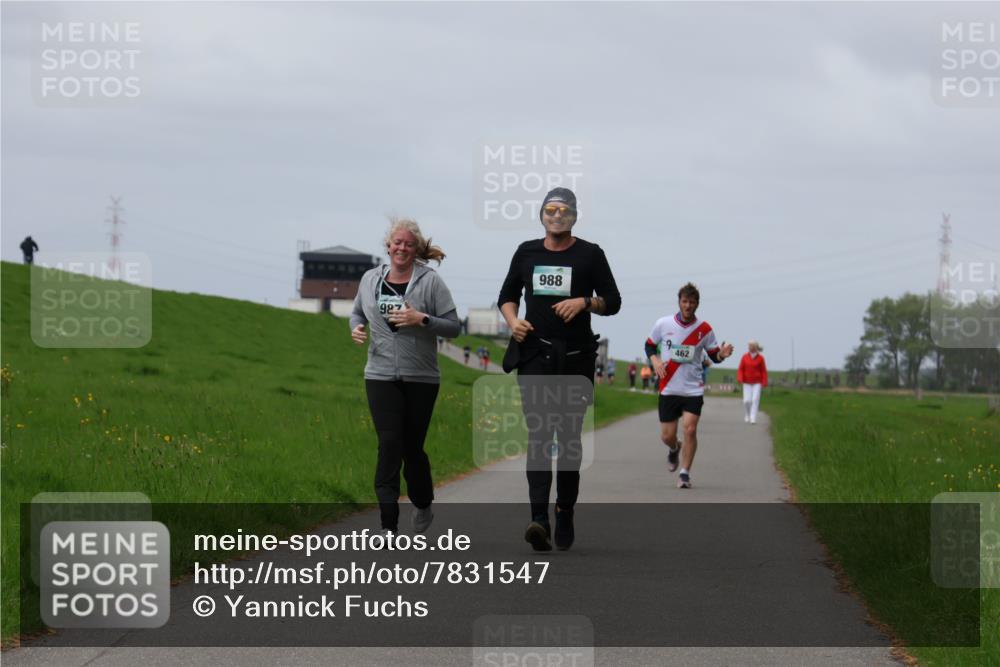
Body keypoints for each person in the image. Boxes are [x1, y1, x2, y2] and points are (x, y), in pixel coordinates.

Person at [498, 187, 621, 551]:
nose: (556, 216)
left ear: (574, 216)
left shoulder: (590, 254)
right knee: (539, 435)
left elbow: (613, 302)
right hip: (535, 355)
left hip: (576, 358)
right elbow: (507, 296)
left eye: (564, 210)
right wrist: (512, 321)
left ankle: (564, 509)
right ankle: (538, 520)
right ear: (541, 215)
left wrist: (585, 302)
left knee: (567, 441)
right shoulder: (526, 252)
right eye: (550, 210)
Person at [350, 218, 461, 541]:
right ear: (388, 245)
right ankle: (388, 523)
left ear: (416, 250)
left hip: (421, 377)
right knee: (388, 443)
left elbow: (454, 327)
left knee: (412, 449)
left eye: (408, 244)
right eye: (397, 242)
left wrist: (421, 318)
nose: (401, 248)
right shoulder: (370, 279)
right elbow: (357, 312)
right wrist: (355, 327)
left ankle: (423, 502)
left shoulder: (430, 282)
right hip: (379, 373)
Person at [645, 283, 733, 489]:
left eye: (692, 302)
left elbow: (714, 355)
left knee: (690, 429)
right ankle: (675, 448)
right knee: (667, 436)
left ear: (697, 304)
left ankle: (685, 473)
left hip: (693, 388)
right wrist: (656, 361)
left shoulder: (705, 329)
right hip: (669, 387)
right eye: (685, 301)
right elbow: (649, 345)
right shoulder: (663, 324)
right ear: (679, 302)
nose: (688, 305)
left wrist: (722, 354)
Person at [737, 340, 768, 424]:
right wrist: (740, 378)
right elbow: (740, 369)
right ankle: (747, 414)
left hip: (757, 383)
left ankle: (753, 417)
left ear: (755, 347)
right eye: (749, 346)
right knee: (747, 401)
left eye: (751, 346)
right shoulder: (744, 357)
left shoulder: (761, 358)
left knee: (755, 399)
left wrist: (764, 381)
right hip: (746, 382)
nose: (749, 347)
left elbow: (763, 371)